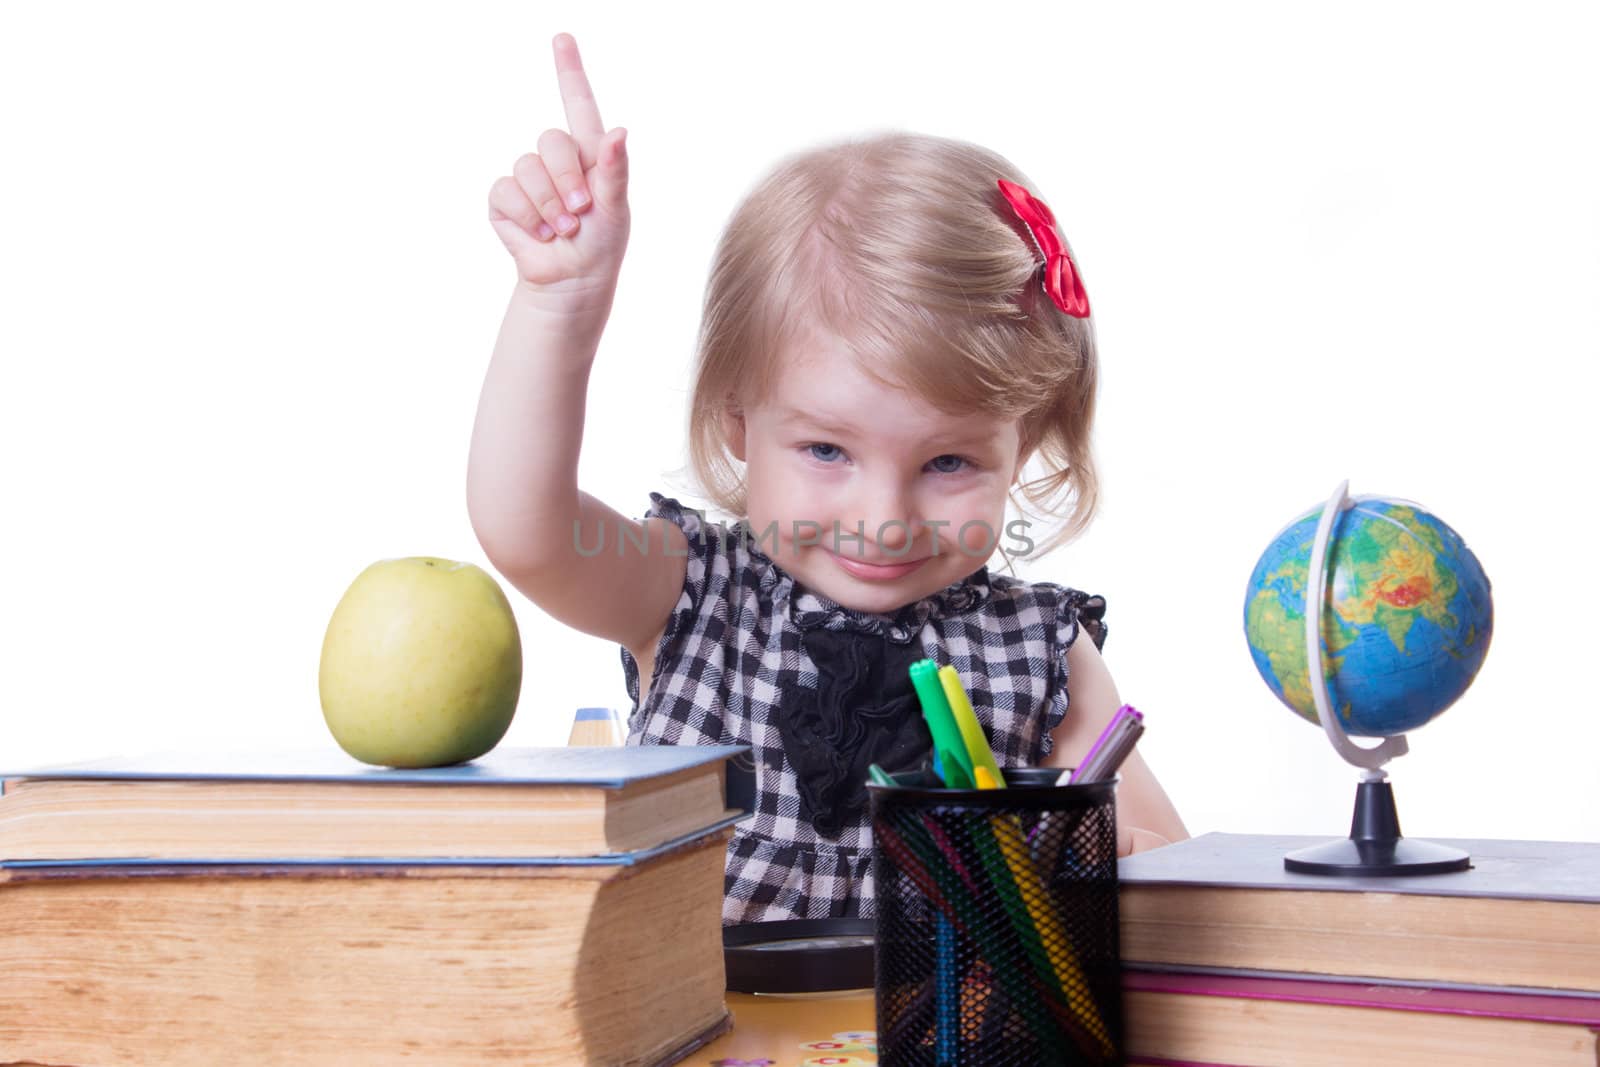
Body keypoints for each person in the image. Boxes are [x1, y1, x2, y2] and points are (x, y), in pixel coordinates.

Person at [468, 33, 1188, 924]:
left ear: (1025, 440)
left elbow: (1172, 874)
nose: (883, 519)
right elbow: (523, 527)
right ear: (739, 420)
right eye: (826, 451)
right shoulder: (689, 593)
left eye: (949, 462)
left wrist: (1121, 861)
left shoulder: (1042, 652)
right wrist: (559, 307)